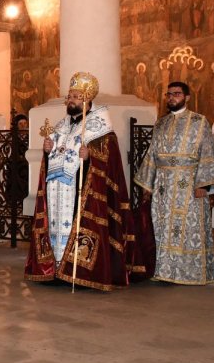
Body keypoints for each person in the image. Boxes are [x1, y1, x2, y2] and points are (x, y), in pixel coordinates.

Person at [25, 73, 153, 290]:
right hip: (57, 193)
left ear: (87, 100)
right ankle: (56, 269)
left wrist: (91, 156)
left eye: (76, 97)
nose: (71, 100)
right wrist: (48, 150)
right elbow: (56, 157)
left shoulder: (100, 128)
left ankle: (78, 271)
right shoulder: (61, 126)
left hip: (83, 192)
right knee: (54, 228)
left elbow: (111, 162)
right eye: (70, 96)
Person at [134, 82, 214, 284]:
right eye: (169, 94)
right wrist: (148, 185)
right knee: (162, 227)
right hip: (163, 184)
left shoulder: (199, 121)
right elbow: (152, 154)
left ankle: (188, 272)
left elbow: (208, 152)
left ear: (187, 97)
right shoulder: (160, 124)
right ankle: (163, 271)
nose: (172, 97)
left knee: (187, 229)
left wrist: (203, 184)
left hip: (188, 183)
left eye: (177, 94)